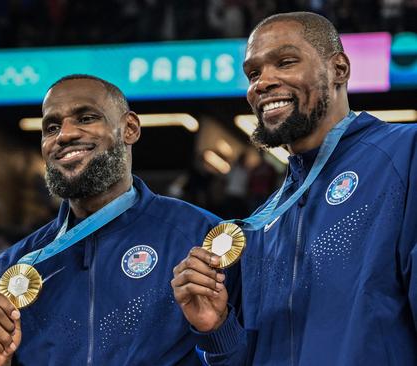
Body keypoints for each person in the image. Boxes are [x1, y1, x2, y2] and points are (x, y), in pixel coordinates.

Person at [171, 11, 417, 365]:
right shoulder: (261, 223)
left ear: (339, 70)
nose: (262, 83)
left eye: (285, 62)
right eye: (253, 73)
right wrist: (216, 329)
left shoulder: (404, 156)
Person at [0, 74, 221, 365]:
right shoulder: (13, 268)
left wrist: (218, 331)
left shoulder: (198, 236)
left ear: (130, 128)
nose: (64, 135)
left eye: (85, 118)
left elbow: (245, 356)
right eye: (51, 127)